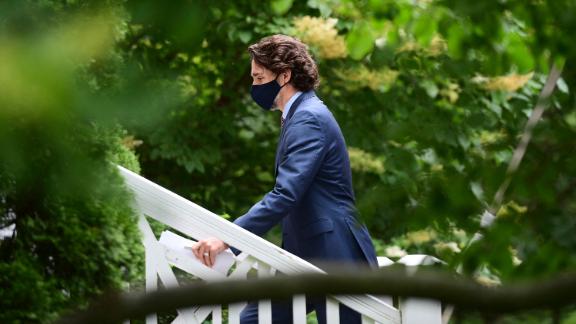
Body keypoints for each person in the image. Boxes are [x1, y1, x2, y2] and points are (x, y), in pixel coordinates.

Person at [192, 34, 377, 324]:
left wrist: (227, 238)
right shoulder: (299, 115)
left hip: (332, 255)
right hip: (304, 256)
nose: (254, 86)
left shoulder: (308, 118)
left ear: (285, 75)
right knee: (253, 320)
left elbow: (285, 195)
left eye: (259, 77)